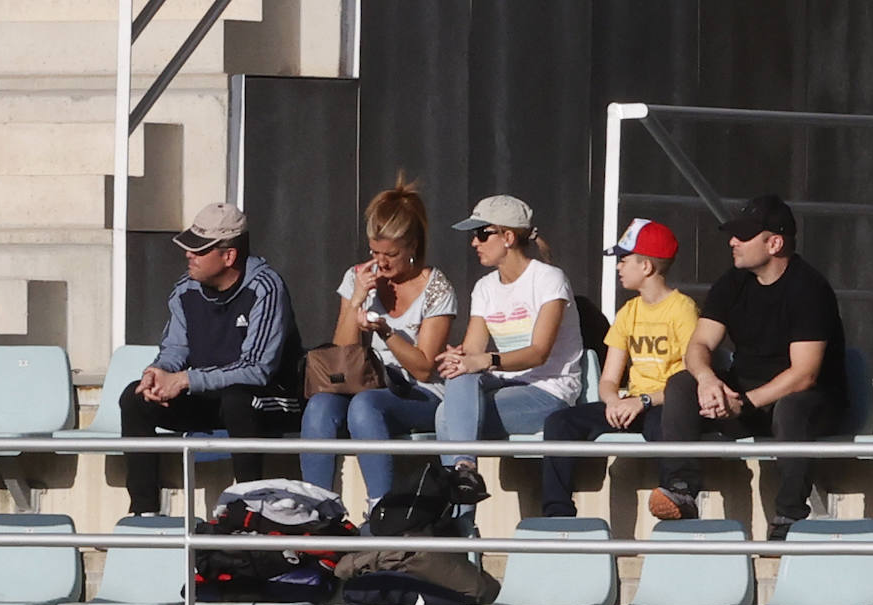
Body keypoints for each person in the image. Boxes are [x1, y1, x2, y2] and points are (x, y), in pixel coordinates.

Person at [647, 194, 847, 541]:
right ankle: (680, 489)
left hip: (809, 400)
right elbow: (698, 345)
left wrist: (747, 401)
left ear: (774, 243)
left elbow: (804, 374)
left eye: (744, 235)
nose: (732, 242)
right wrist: (708, 381)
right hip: (747, 397)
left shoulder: (809, 289)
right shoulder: (732, 283)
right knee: (681, 383)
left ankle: (789, 517)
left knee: (793, 407)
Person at [120, 202, 303, 514]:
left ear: (228, 256)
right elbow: (175, 350)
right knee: (135, 397)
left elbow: (258, 370)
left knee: (238, 400)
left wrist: (187, 379)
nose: (189, 255)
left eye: (199, 249)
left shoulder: (266, 287)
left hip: (272, 400)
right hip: (210, 397)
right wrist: (159, 372)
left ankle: (248, 510)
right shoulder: (185, 289)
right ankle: (144, 512)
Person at [299, 179, 456, 513]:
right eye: (374, 252)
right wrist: (356, 299)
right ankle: (316, 512)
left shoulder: (436, 287)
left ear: (413, 246)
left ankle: (381, 512)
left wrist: (385, 332)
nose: (380, 263)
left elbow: (425, 368)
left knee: (365, 406)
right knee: (320, 406)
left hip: (419, 393)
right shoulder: (359, 277)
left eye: (391, 254)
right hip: (366, 384)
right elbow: (342, 357)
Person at [539, 218, 698, 517]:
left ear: (647, 267)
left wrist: (645, 401)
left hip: (663, 404)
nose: (618, 267)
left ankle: (677, 500)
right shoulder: (629, 311)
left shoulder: (683, 309)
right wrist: (613, 401)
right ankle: (557, 513)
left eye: (624, 260)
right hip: (630, 405)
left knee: (660, 425)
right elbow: (609, 377)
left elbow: (692, 377)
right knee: (560, 423)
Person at [434, 195, 583, 502]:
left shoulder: (549, 280)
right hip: (506, 384)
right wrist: (458, 358)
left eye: (481, 234)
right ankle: (466, 472)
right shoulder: (485, 287)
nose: (474, 243)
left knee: (447, 418)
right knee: (457, 382)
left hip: (549, 390)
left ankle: (461, 521)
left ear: (508, 237)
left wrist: (484, 360)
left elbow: (538, 352)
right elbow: (474, 351)